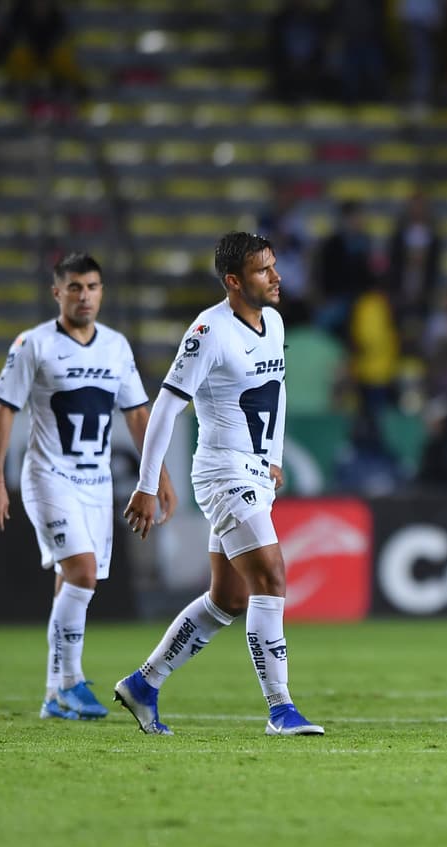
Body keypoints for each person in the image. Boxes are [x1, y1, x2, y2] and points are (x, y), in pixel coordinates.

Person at [115, 232, 324, 736]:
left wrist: (273, 456)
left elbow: (277, 389)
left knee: (229, 599)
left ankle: (144, 684)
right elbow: (165, 406)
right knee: (271, 577)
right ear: (234, 281)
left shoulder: (272, 322)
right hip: (222, 470)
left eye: (275, 266)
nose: (276, 277)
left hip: (255, 470)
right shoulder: (208, 331)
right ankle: (281, 708)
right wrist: (147, 483)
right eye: (262, 270)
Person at [0, 252, 176, 722]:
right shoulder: (34, 344)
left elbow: (136, 414)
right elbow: (5, 408)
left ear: (101, 292)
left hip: (96, 482)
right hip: (49, 477)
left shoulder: (115, 346)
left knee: (71, 582)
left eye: (91, 287)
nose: (84, 295)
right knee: (83, 573)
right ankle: (70, 682)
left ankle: (55, 692)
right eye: (74, 287)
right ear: (57, 292)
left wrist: (159, 476)